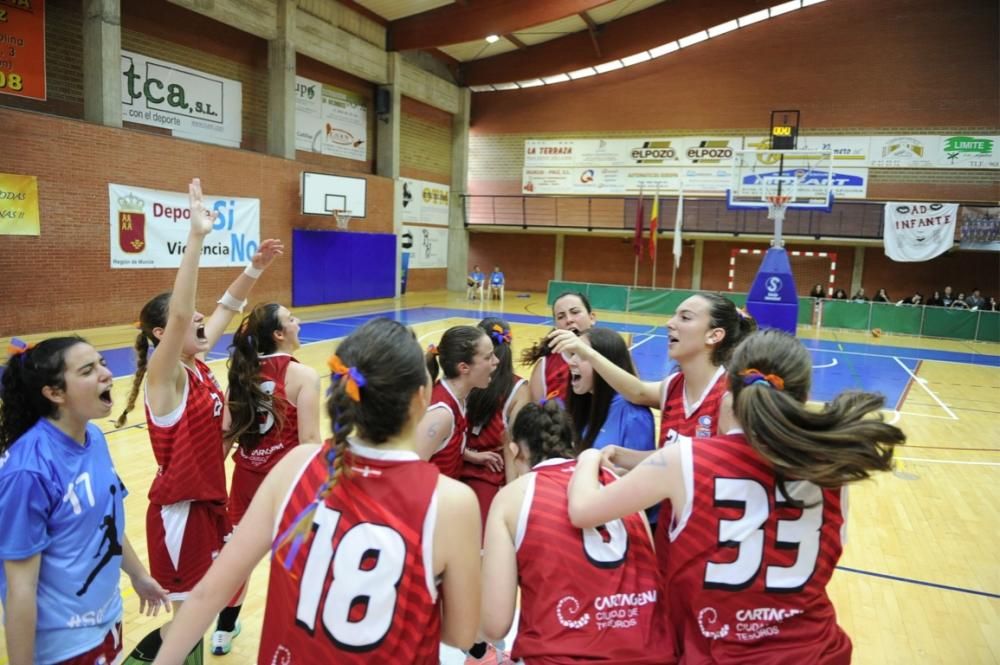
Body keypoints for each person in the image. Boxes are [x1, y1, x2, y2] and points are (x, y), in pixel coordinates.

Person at [150, 319, 483, 664]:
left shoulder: (297, 465)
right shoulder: (451, 502)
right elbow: (460, 634)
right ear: (421, 396)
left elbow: (206, 594)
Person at [566, 329, 906, 662]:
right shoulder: (830, 471)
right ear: (801, 399)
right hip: (816, 651)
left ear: (728, 390)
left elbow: (582, 510)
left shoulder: (683, 459)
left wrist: (588, 456)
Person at [114, 178, 282, 661]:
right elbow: (186, 309)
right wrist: (195, 237)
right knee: (189, 618)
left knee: (201, 614)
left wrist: (254, 268)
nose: (204, 322)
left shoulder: (199, 365)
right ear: (165, 334)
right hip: (181, 512)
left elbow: (224, 309)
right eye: (194, 322)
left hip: (210, 502)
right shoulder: (165, 379)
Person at [0, 337, 170, 665]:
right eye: (88, 370)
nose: (106, 373)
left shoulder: (94, 438)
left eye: (102, 362)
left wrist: (138, 575)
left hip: (107, 620)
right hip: (63, 643)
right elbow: (20, 588)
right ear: (55, 393)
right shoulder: (27, 471)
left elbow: (106, 520)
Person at [480, 401, 674, 664]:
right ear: (571, 442)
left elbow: (495, 625)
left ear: (515, 450)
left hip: (563, 655)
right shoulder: (617, 482)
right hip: (652, 652)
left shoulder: (512, 497)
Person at [211, 303, 320, 655]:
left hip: (244, 483)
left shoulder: (242, 374)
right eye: (291, 319)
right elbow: (309, 442)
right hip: (286, 488)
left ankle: (223, 632)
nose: (298, 322)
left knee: (238, 561)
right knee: (295, 564)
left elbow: (226, 435)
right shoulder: (304, 377)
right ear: (278, 334)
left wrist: (208, 484)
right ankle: (297, 638)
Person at [462, 318, 530, 529]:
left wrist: (467, 453)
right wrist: (513, 492)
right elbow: (513, 448)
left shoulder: (461, 375)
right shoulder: (519, 388)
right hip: (490, 475)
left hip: (452, 465)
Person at [416, 326, 499, 479]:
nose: (496, 361)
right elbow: (411, 473)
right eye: (488, 357)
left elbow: (443, 443)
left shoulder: (459, 396)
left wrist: (471, 456)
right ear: (464, 367)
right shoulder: (441, 415)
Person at [566, 327, 655, 455]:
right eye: (573, 353)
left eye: (582, 355)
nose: (571, 362)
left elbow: (640, 471)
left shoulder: (634, 416)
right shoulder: (582, 404)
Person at [522, 292, 597, 403]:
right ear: (556, 327)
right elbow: (535, 416)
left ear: (592, 318)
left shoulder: (610, 355)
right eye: (561, 316)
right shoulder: (545, 365)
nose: (569, 320)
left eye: (575, 312)